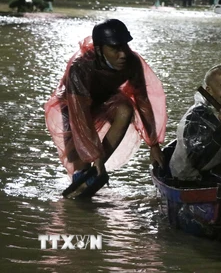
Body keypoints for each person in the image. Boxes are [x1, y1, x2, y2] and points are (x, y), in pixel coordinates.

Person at [45, 19, 167, 197]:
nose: (123, 54)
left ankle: (96, 169)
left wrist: (153, 144)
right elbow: (81, 117)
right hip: (73, 107)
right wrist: (93, 155)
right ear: (100, 50)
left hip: (105, 101)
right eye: (115, 49)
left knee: (126, 109)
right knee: (80, 160)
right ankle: (82, 180)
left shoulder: (132, 63)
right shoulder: (81, 67)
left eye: (124, 46)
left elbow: (143, 102)